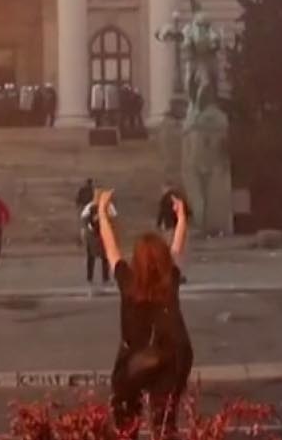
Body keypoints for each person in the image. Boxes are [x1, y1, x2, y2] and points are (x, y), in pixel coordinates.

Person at [94, 187, 193, 436]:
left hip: (134, 359)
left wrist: (103, 214)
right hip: (172, 357)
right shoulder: (169, 280)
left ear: (136, 260)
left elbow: (111, 250)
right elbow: (178, 248)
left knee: (125, 421)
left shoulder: (128, 281)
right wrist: (181, 218)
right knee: (164, 422)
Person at [83, 191, 115, 289]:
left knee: (95, 258)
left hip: (95, 235)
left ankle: (92, 279)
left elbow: (84, 219)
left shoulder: (90, 207)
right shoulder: (107, 206)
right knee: (100, 258)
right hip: (99, 235)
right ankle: (102, 279)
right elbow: (113, 217)